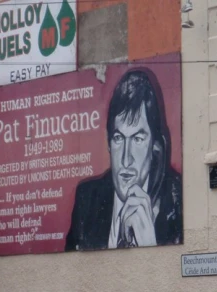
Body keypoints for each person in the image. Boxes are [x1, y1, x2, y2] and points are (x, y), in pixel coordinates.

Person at [65, 69, 182, 251]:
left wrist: (150, 247)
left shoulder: (177, 201)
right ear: (109, 143)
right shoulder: (87, 200)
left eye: (137, 139)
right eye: (119, 138)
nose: (126, 159)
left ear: (155, 147)